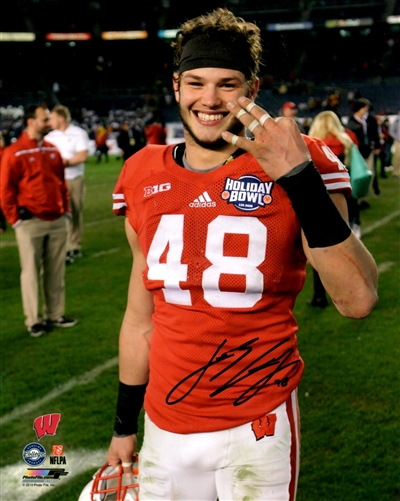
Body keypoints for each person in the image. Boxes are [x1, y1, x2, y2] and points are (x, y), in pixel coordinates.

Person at [107, 9, 378, 501]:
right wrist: (125, 425)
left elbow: (357, 299)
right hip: (163, 424)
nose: (209, 100)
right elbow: (139, 319)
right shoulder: (142, 173)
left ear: (252, 90)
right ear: (176, 85)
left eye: (226, 84)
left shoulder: (305, 159)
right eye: (196, 82)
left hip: (258, 422)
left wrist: (297, 177)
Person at [0, 104, 77, 337]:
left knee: (55, 272)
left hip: (56, 220)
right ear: (31, 122)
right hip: (30, 223)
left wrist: (66, 212)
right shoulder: (15, 152)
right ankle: (34, 320)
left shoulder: (52, 150)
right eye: (44, 119)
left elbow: (62, 184)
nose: (48, 123)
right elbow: (5, 189)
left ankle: (55, 314)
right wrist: (15, 220)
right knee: (31, 273)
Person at [307, 110, 361, 307]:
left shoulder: (313, 145)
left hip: (321, 201)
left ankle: (320, 295)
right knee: (351, 242)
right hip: (347, 195)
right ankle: (354, 288)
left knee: (321, 249)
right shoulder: (348, 140)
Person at [46, 105, 90, 263]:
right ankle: (66, 246)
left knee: (75, 211)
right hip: (56, 180)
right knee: (62, 213)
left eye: (52, 117)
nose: (50, 121)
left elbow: (83, 155)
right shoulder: (50, 137)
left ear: (61, 118)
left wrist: (65, 162)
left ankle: (75, 244)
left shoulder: (78, 133)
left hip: (74, 178)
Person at [346, 98, 380, 201]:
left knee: (370, 174)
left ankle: (364, 198)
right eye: (364, 107)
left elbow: (375, 134)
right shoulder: (351, 122)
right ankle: (357, 199)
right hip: (357, 152)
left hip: (368, 150)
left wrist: (377, 146)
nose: (366, 109)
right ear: (359, 108)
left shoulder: (369, 120)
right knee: (358, 175)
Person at [389, 110, 400, 179]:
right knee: (397, 157)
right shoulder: (397, 121)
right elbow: (391, 131)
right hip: (398, 142)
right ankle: (395, 173)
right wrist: (398, 138)